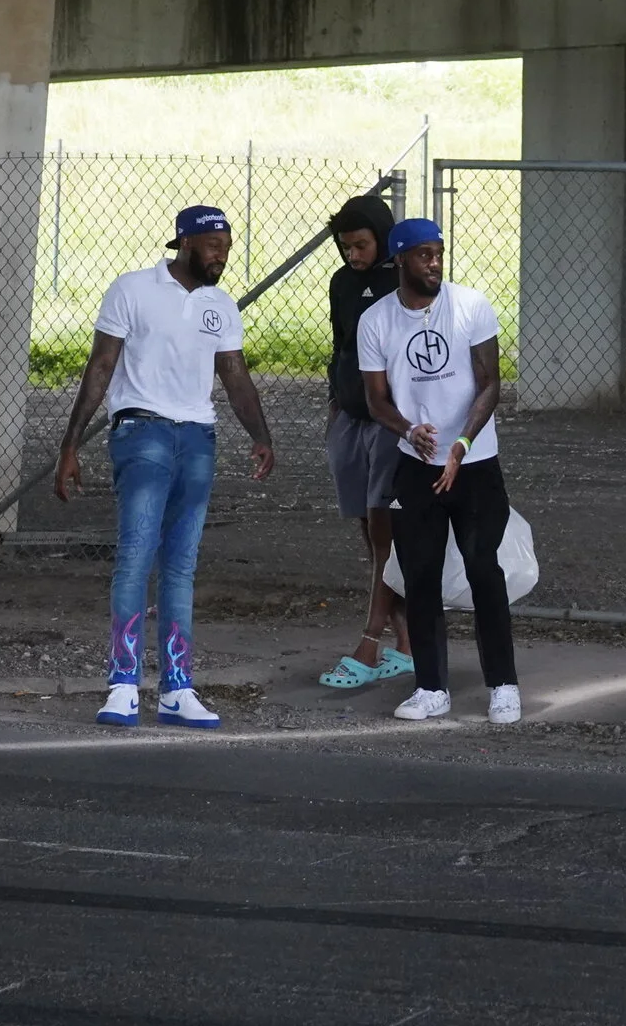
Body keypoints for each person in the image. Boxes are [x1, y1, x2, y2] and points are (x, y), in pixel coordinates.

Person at [54, 204, 275, 731]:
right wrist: (71, 444)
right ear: (184, 243)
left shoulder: (220, 304)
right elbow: (102, 364)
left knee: (181, 565)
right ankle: (124, 684)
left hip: (198, 437)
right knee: (135, 555)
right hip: (142, 432)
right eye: (213, 244)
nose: (223, 253)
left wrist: (261, 435)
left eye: (227, 244)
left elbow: (235, 375)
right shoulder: (132, 289)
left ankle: (177, 688)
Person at [357, 217, 519, 724]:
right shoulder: (377, 321)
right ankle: (431, 687)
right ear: (399, 260)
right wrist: (409, 431)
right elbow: (376, 400)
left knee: (482, 569)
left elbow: (489, 382)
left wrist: (462, 442)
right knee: (420, 575)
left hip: (474, 463)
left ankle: (503, 685)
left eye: (439, 253)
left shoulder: (470, 305)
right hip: (416, 464)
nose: (434, 263)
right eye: (424, 255)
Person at [318, 193, 416, 690]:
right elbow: (340, 343)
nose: (352, 255)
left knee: (385, 529)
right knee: (369, 530)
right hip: (351, 419)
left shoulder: (403, 285)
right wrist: (336, 401)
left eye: (360, 245)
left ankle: (370, 641)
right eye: (344, 247)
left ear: (382, 238)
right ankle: (408, 643)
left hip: (391, 423)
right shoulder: (341, 283)